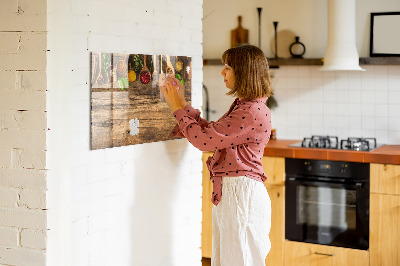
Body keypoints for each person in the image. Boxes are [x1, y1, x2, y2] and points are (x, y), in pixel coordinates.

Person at [161, 44, 273, 266]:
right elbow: (212, 133)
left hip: (241, 195)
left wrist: (176, 107)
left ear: (244, 72)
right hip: (236, 193)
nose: (222, 72)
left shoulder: (250, 111)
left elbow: (204, 141)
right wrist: (182, 103)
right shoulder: (246, 106)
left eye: (228, 67)